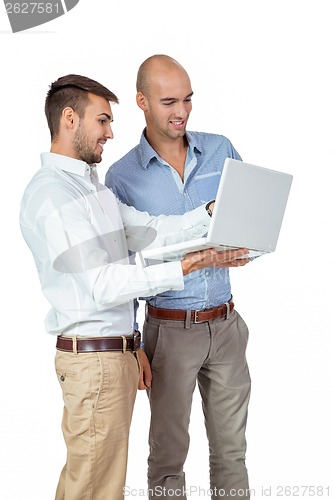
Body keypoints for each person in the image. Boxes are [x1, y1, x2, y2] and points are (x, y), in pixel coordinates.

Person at [19, 74, 249, 500]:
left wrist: (213, 211)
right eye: (103, 120)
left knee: (102, 485)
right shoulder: (54, 196)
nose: (110, 132)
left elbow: (151, 230)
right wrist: (185, 267)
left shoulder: (89, 188)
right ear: (70, 119)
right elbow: (102, 285)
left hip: (114, 354)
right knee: (94, 488)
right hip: (94, 363)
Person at [105, 55, 252, 500]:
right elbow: (122, 269)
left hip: (226, 326)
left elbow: (249, 223)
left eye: (188, 99)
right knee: (168, 459)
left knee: (232, 453)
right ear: (141, 102)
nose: (182, 112)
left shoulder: (221, 149)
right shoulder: (121, 177)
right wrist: (133, 343)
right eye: (169, 101)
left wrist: (244, 251)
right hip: (168, 331)